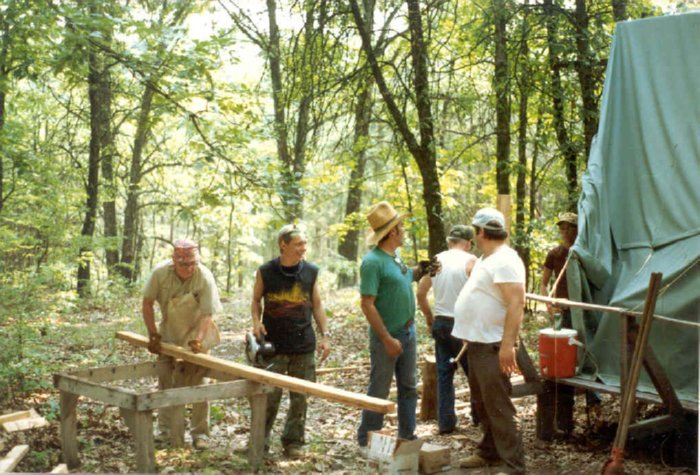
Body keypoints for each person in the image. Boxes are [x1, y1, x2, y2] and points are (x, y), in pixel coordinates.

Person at [357, 201, 438, 449]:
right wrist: (386, 339)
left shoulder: (395, 257)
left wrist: (421, 270)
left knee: (409, 387)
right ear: (392, 232)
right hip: (387, 336)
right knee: (379, 389)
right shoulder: (373, 262)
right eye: (400, 227)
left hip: (408, 331)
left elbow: (403, 278)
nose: (403, 230)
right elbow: (367, 304)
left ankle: (407, 436)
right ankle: (367, 439)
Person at [452, 208, 526, 474]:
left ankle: (513, 465)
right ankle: (489, 451)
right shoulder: (488, 258)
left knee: (498, 406)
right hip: (477, 342)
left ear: (481, 232)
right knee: (482, 403)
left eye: (476, 230)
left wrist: (507, 345)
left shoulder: (505, 260)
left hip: (493, 345)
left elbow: (517, 303)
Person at [251, 224, 331, 459]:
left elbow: (317, 305)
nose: (303, 248)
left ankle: (293, 442)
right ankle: (259, 442)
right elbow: (255, 300)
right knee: (269, 396)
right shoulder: (266, 271)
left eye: (305, 244)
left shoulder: (311, 271)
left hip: (303, 344)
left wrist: (325, 335)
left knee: (300, 397)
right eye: (298, 244)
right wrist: (256, 322)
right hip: (273, 345)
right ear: (283, 245)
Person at [142, 239, 222, 450]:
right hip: (169, 334)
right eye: (183, 264)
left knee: (200, 383)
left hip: (197, 333)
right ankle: (165, 431)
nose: (188, 268)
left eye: (192, 263)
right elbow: (147, 303)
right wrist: (152, 334)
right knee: (166, 382)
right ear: (173, 261)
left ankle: (200, 434)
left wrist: (199, 339)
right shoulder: (160, 273)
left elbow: (207, 313)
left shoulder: (204, 277)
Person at [540, 211, 600, 437]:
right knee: (563, 355)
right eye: (562, 228)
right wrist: (548, 303)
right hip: (562, 312)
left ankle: (593, 398)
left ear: (577, 230)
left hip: (581, 310)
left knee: (586, 349)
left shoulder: (583, 253)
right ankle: (565, 415)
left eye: (569, 228)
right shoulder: (555, 254)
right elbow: (544, 283)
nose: (565, 232)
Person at [417, 224, 478, 434]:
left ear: (450, 241)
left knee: (444, 374)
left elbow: (421, 293)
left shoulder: (437, 260)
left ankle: (445, 423)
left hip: (441, 323)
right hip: (463, 325)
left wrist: (429, 317)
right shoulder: (471, 261)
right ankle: (479, 418)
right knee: (474, 374)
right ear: (468, 243)